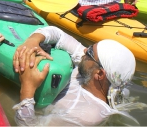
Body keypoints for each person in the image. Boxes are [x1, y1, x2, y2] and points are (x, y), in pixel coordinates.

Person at [12, 26, 144, 126]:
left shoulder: (85, 116)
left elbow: (28, 125)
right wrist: (33, 40)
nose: (85, 50)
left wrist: (27, 90)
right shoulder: (93, 71)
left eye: (90, 52)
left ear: (99, 74)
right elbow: (58, 34)